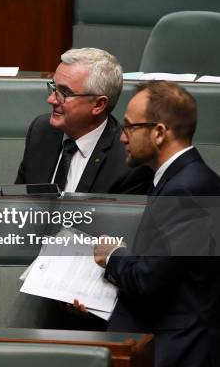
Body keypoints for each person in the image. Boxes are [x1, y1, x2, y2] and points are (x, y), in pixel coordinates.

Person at [92, 81, 220, 366]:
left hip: (175, 350)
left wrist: (112, 256)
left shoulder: (185, 189)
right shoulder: (181, 180)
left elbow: (148, 281)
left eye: (129, 127)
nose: (123, 138)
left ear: (159, 132)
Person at [15, 47, 151, 194]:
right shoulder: (42, 131)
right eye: (54, 87)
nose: (51, 99)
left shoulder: (128, 162)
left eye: (65, 92)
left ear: (98, 105)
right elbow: (18, 203)